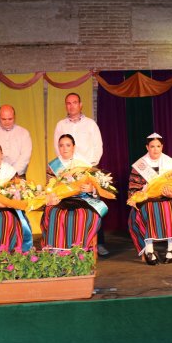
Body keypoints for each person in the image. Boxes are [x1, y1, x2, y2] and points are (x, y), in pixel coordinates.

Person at [53, 92, 108, 255]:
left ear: (80, 104)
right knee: (67, 206)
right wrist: (66, 168)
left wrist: (88, 169)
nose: (72, 106)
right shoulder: (60, 125)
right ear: (66, 106)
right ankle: (66, 243)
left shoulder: (90, 124)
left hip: (87, 170)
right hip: (67, 170)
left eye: (75, 102)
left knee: (94, 203)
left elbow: (98, 146)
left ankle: (99, 243)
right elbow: (58, 148)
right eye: (68, 103)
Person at [128, 134, 172, 265]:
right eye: (152, 146)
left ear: (162, 147)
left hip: (167, 198)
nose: (155, 149)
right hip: (147, 200)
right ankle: (149, 250)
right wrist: (142, 193)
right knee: (151, 209)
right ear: (147, 147)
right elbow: (133, 190)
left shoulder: (169, 163)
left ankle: (171, 249)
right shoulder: (139, 166)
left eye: (158, 146)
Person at [41, 134, 107, 253]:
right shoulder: (53, 166)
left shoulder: (83, 164)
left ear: (74, 147)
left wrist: (91, 189)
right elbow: (48, 187)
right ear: (58, 148)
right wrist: (51, 196)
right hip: (61, 200)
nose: (64, 148)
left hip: (82, 200)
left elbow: (97, 188)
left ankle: (78, 251)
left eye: (68, 145)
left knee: (83, 215)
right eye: (61, 145)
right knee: (55, 212)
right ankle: (56, 250)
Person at [0, 105, 32, 177]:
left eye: (10, 119)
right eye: (4, 119)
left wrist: (11, 173)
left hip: (17, 175)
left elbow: (25, 156)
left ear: (14, 117)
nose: (7, 122)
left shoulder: (23, 133)